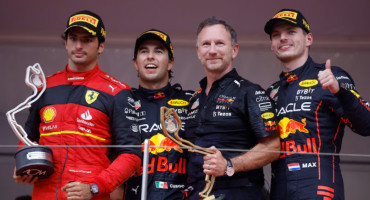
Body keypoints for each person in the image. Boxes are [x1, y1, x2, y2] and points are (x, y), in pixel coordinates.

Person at [12, 10, 141, 200]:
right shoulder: (44, 87)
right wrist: (21, 163)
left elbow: (131, 155)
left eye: (87, 39)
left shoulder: (117, 92)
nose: (79, 45)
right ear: (66, 42)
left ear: (101, 46)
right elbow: (28, 137)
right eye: (73, 38)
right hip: (44, 193)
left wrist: (96, 187)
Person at [264, 8, 370, 200]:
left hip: (318, 184)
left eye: (291, 32)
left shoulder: (330, 76)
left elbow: (367, 124)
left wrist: (340, 90)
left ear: (309, 39)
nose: (283, 38)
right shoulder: (271, 92)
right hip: (279, 187)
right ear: (272, 45)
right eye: (276, 35)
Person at [185, 17, 281, 200]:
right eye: (206, 44)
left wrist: (229, 164)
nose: (212, 50)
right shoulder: (194, 99)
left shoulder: (249, 92)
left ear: (234, 50)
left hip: (240, 194)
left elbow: (273, 147)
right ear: (198, 52)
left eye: (220, 43)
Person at [123, 29, 193, 200]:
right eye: (144, 51)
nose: (150, 56)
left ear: (170, 63)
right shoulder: (123, 101)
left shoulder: (192, 101)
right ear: (135, 63)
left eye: (158, 51)